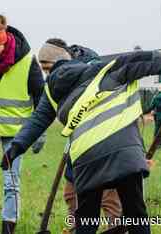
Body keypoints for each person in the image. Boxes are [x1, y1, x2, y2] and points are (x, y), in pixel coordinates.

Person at [1, 48, 161, 233]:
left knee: (86, 219)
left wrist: (14, 148)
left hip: (86, 158)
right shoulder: (105, 69)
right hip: (124, 151)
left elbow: (37, 120)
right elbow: (148, 59)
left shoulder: (52, 92)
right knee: (135, 213)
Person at [38, 38, 123, 231]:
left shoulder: (89, 71)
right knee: (72, 195)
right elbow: (44, 114)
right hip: (77, 147)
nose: (48, 74)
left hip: (105, 144)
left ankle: (114, 228)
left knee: (109, 198)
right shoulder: (60, 78)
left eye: (48, 68)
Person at [0, 13, 45, 234]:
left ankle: (8, 229)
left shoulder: (27, 62)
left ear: (6, 40)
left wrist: (38, 133)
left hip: (16, 133)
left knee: (10, 183)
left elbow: (41, 98)